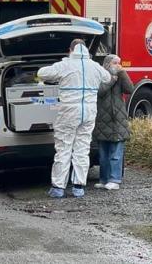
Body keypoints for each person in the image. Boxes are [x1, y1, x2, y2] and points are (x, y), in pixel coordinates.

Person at [38, 39, 111, 198]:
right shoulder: (94, 66)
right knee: (82, 149)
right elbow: (107, 77)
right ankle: (78, 187)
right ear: (85, 50)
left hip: (69, 112)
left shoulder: (65, 65)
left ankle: (58, 187)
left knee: (64, 147)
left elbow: (42, 73)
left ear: (70, 50)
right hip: (89, 112)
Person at [93, 54, 134, 190]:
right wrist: (111, 80)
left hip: (118, 120)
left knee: (116, 153)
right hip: (102, 120)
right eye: (115, 63)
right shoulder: (100, 75)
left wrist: (122, 73)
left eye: (119, 63)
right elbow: (100, 92)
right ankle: (104, 179)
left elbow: (130, 89)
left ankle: (115, 179)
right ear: (107, 64)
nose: (117, 65)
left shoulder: (120, 76)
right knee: (103, 154)